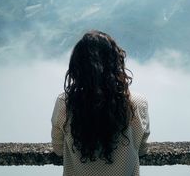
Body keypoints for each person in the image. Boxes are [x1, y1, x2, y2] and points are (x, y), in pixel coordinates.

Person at [51, 30, 150, 176]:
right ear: (116, 62)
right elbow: (142, 149)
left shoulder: (65, 104)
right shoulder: (137, 103)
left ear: (77, 67)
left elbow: (58, 149)